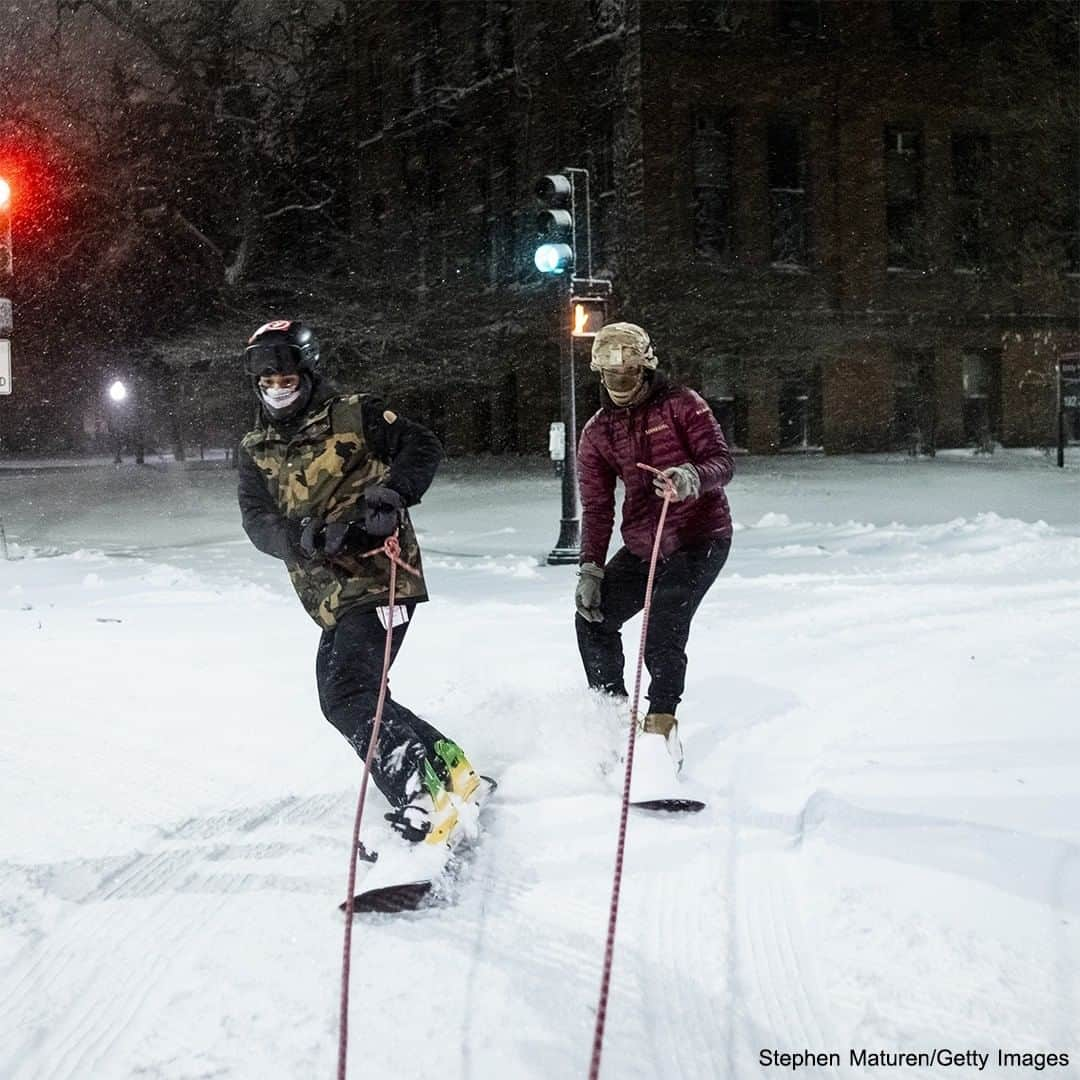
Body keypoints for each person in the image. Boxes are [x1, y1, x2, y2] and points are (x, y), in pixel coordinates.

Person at [237, 319, 480, 845]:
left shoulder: (354, 414)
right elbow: (256, 521)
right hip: (327, 590)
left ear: (307, 373)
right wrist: (302, 538)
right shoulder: (254, 448)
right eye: (268, 384)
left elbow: (422, 445)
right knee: (352, 693)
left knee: (346, 692)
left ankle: (422, 797)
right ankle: (452, 768)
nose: (279, 391)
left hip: (382, 575)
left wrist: (391, 495)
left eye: (288, 380)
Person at [574, 322, 734, 771]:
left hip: (700, 536)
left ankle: (661, 727)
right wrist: (591, 567)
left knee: (663, 627)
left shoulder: (683, 405)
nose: (620, 385)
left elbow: (722, 462)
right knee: (592, 617)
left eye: (628, 374)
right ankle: (612, 718)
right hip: (645, 545)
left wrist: (691, 477)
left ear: (645, 368)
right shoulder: (597, 433)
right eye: (611, 377)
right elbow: (598, 507)